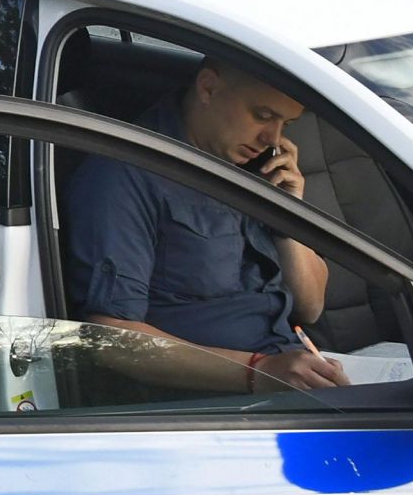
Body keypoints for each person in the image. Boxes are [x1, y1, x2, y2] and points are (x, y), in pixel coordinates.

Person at [64, 59, 347, 392]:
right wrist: (259, 371)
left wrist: (288, 215)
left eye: (286, 123)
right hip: (207, 404)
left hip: (290, 370)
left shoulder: (255, 168)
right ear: (208, 88)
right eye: (263, 115)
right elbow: (112, 336)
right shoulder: (124, 176)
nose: (273, 137)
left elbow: (310, 306)